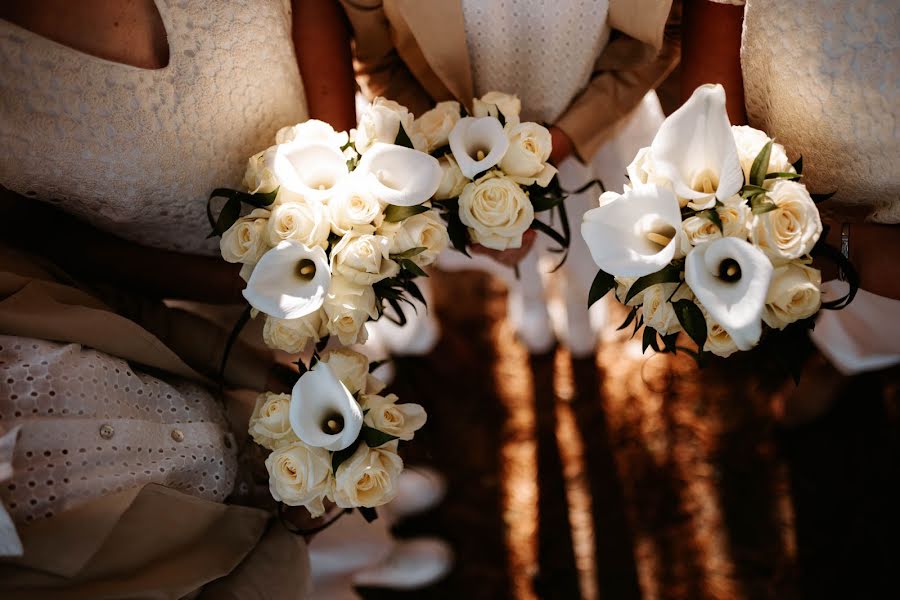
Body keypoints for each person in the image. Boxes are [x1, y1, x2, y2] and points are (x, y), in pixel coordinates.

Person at [0, 1, 355, 596]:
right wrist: (242, 286)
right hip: (191, 283)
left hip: (335, 191)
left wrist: (346, 185)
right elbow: (43, 238)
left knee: (348, 363)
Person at [682, 2, 899, 596]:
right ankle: (842, 360)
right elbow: (714, 35)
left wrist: (863, 250)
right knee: (839, 314)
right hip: (793, 208)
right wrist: (727, 186)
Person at [340, 0, 681, 357]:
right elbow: (378, 59)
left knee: (587, 238)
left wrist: (562, 141)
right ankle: (529, 295)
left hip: (594, 126)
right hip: (455, 145)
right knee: (503, 235)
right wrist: (458, 165)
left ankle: (579, 304)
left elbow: (662, 36)